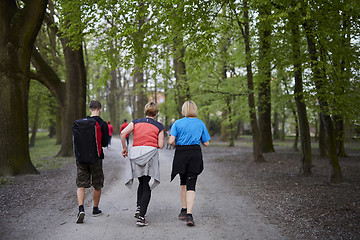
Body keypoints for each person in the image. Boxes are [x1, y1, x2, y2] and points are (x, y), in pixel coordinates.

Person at [121, 102, 164, 226]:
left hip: (136, 154)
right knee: (146, 185)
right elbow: (161, 145)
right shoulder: (159, 126)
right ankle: (141, 218)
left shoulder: (135, 122)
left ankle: (139, 208)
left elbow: (123, 133)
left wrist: (125, 148)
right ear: (156, 113)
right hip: (149, 155)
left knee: (141, 182)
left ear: (146, 111)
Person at [168, 100, 211, 227]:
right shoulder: (201, 123)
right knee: (191, 184)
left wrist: (176, 143)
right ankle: (190, 215)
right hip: (195, 153)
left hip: (181, 153)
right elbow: (207, 143)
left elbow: (171, 141)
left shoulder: (178, 123)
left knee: (183, 183)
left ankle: (183, 209)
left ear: (184, 110)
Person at [76, 100, 109, 224]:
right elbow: (105, 143)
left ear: (90, 109)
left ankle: (81, 209)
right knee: (97, 184)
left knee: (81, 184)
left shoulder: (81, 122)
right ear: (100, 109)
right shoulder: (102, 124)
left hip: (81, 158)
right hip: (96, 158)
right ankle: (95, 209)